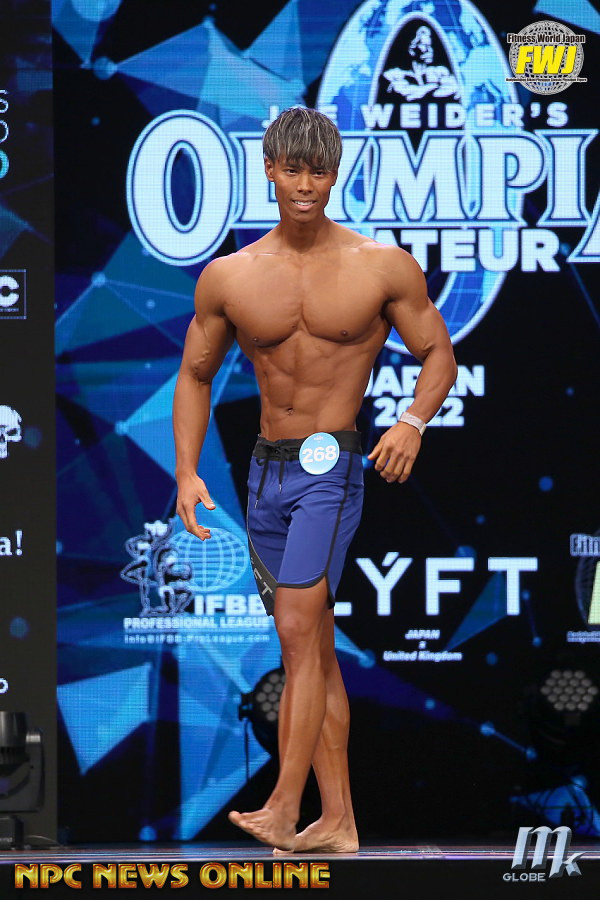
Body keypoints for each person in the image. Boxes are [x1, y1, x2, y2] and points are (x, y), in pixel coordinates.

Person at [173, 107, 457, 852]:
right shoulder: (231, 276)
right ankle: (339, 821)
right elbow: (195, 375)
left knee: (299, 634)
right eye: (293, 169)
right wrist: (186, 471)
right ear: (269, 170)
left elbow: (438, 352)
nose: (305, 185)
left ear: (336, 176)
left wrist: (412, 421)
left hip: (329, 468)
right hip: (264, 475)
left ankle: (283, 805)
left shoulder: (380, 266)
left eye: (319, 171)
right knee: (315, 650)